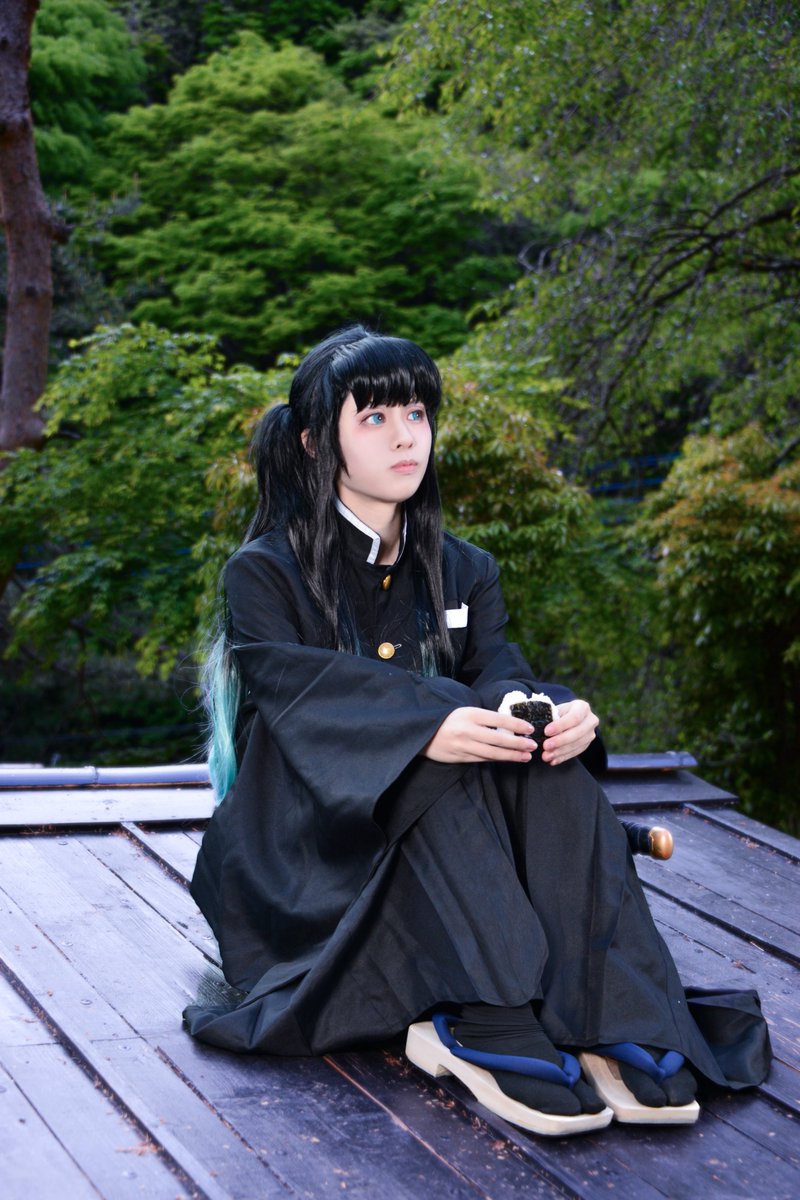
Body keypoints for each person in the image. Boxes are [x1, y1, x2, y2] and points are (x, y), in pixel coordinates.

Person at [184, 326, 771, 1136]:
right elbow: (302, 700)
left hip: (448, 838)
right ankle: (487, 1013)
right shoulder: (264, 571)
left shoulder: (466, 567)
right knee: (440, 743)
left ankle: (611, 1008)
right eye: (375, 418)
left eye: (416, 414)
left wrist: (553, 714)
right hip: (312, 849)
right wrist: (433, 725)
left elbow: (500, 671)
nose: (406, 437)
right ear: (316, 442)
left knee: (537, 747)